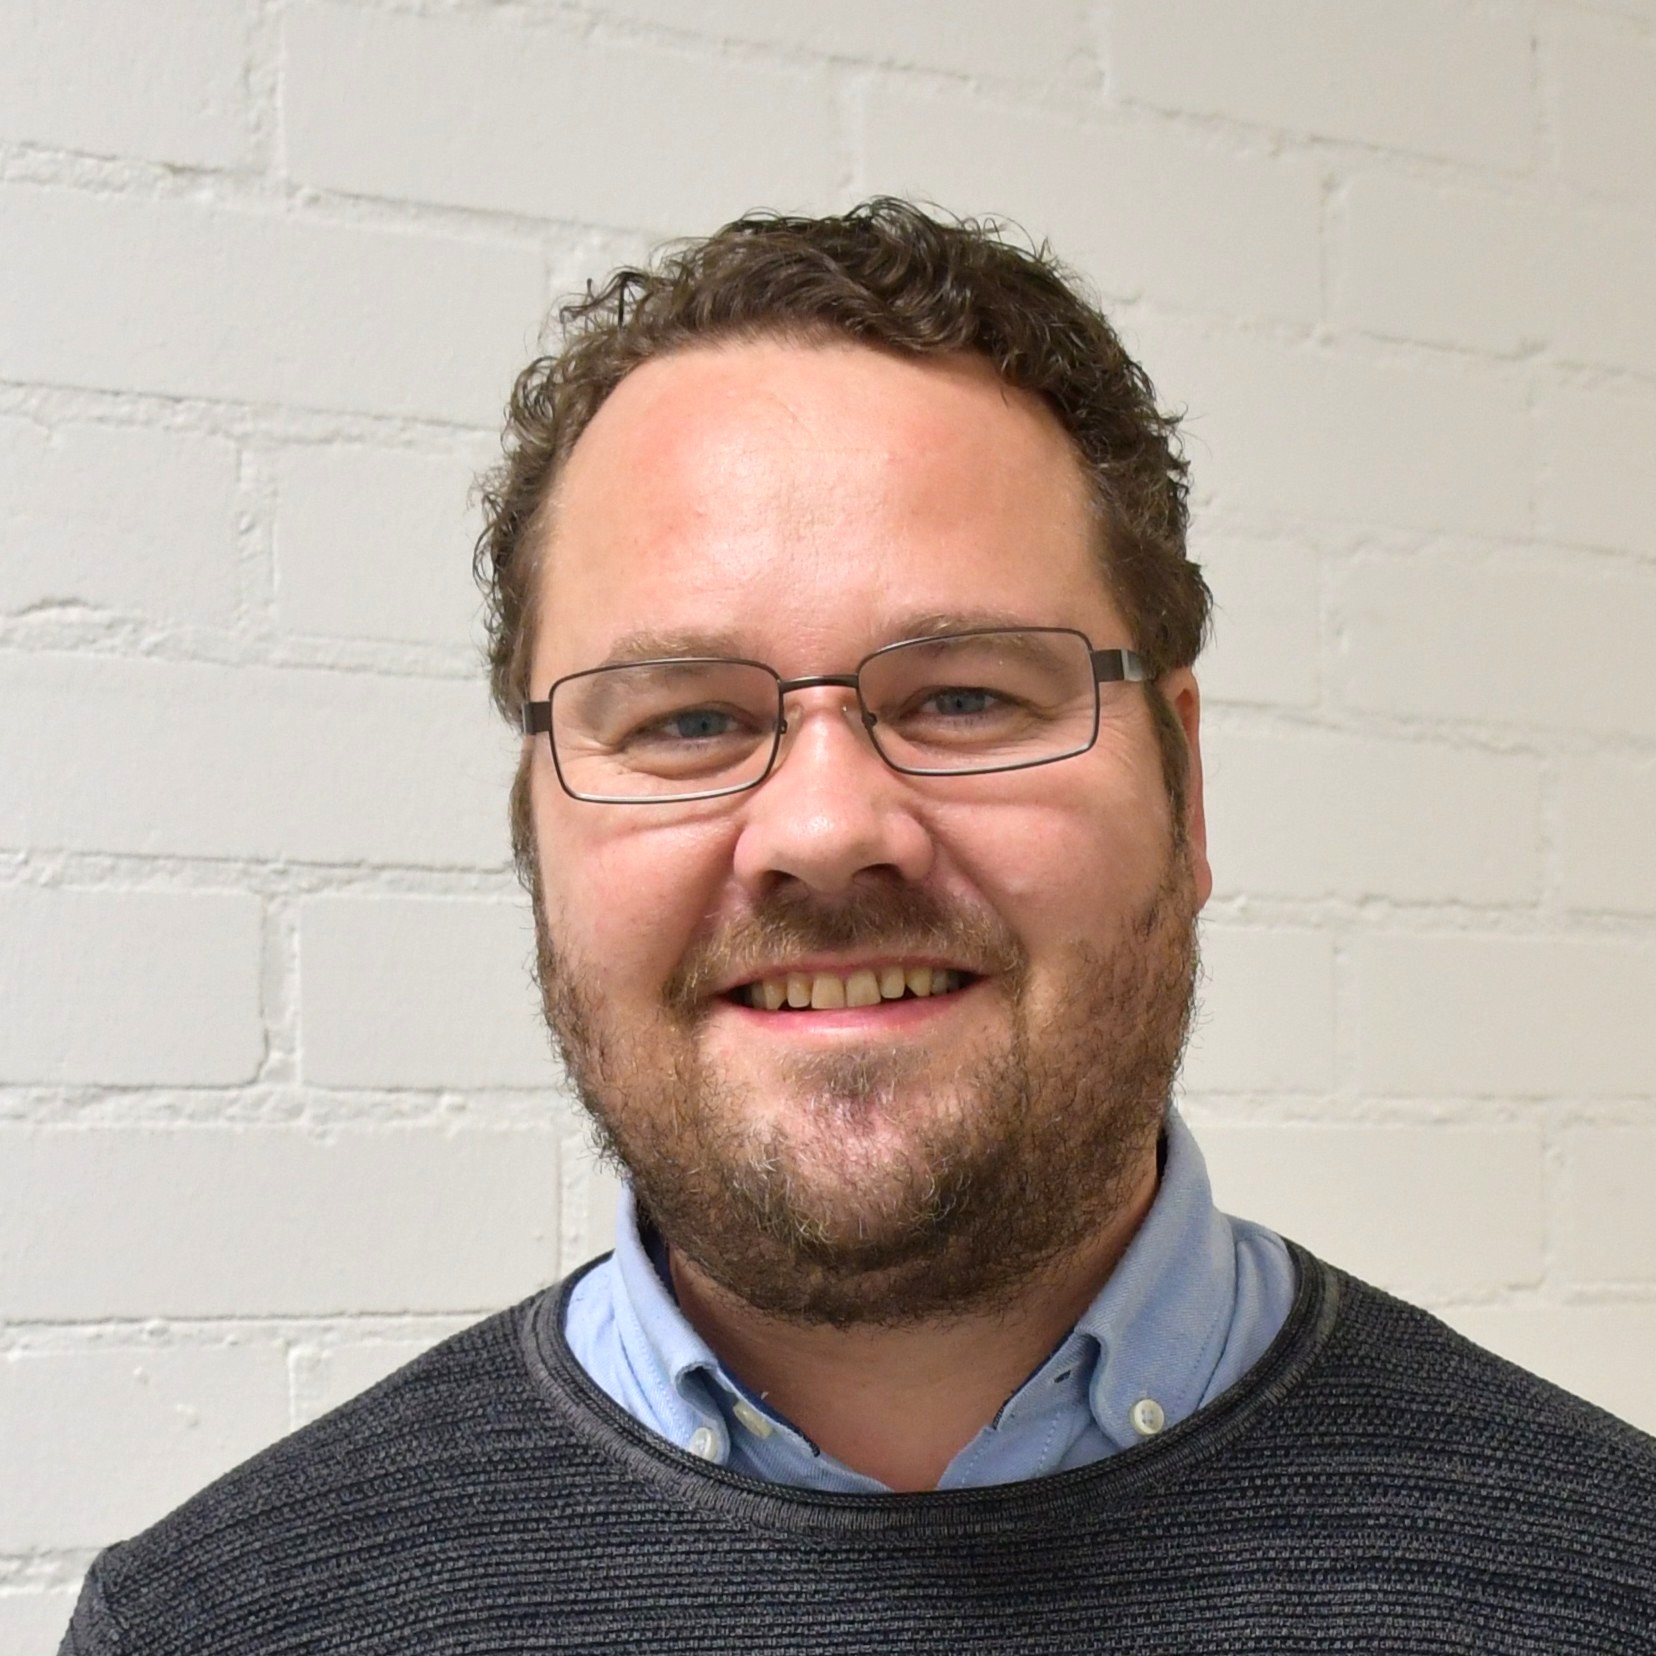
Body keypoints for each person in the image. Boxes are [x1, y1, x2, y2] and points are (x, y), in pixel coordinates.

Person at [60, 200, 1656, 1653]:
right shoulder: (217, 1627)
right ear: (536, 828)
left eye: (966, 698)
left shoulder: (1609, 1586)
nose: (826, 830)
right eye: (686, 722)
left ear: (1186, 787)